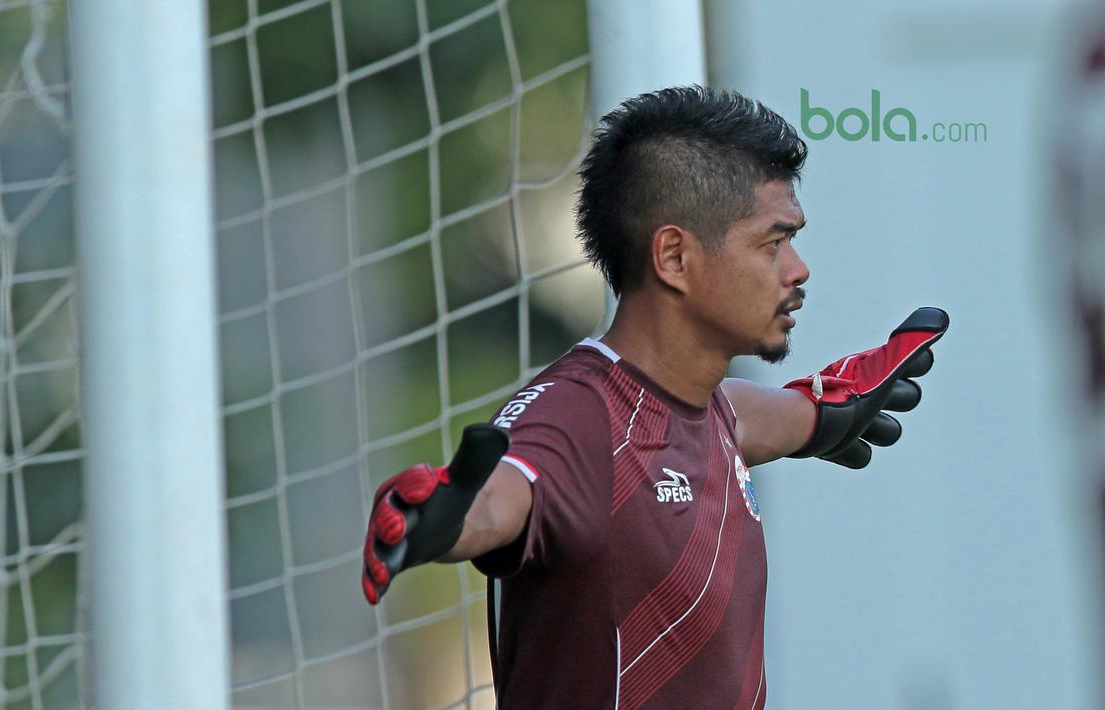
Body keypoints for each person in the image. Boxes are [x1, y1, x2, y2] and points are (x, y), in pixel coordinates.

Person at [361, 86, 948, 709]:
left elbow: (750, 417)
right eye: (773, 243)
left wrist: (825, 411)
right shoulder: (577, 416)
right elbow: (504, 492)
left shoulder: (711, 408)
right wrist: (445, 517)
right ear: (673, 256)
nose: (798, 268)